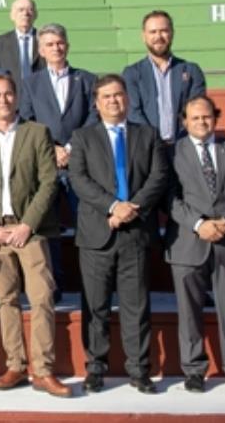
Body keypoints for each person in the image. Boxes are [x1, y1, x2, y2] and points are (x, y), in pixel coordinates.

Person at [0, 74, 71, 398]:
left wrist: (27, 224)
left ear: (16, 97)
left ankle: (43, 370)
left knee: (41, 298)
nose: (3, 100)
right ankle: (16, 364)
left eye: (8, 94)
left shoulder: (37, 132)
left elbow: (49, 182)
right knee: (6, 299)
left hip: (32, 230)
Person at [69, 74, 170, 394]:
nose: (114, 101)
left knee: (136, 305)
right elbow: (79, 180)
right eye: (107, 97)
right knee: (95, 306)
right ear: (97, 104)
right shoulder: (83, 137)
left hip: (136, 233)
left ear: (127, 98)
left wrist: (132, 207)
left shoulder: (148, 134)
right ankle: (95, 368)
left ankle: (139, 369)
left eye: (118, 95)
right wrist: (113, 206)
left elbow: (158, 176)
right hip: (97, 234)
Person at [166, 96, 225, 395]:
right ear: (184, 121)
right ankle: (194, 370)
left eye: (206, 117)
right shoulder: (171, 154)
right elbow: (169, 197)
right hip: (187, 242)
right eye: (194, 118)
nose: (201, 122)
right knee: (189, 309)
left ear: (215, 118)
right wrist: (199, 224)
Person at [17, 23, 97, 303]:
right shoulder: (31, 83)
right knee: (48, 227)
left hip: (79, 163)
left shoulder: (86, 79)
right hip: (45, 164)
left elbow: (93, 117)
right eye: (49, 44)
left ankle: (91, 283)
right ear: (41, 50)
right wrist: (53, 148)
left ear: (68, 45)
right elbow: (26, 118)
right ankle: (54, 283)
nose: (56, 48)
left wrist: (71, 148)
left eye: (60, 42)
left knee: (86, 223)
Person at [122, 10, 206, 144]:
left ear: (172, 33)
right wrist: (153, 140)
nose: (158, 36)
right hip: (148, 147)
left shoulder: (191, 70)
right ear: (143, 36)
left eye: (163, 31)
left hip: (184, 145)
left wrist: (183, 138)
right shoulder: (132, 73)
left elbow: (197, 109)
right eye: (153, 32)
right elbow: (133, 113)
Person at [0, 0, 43, 83]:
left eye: (30, 10)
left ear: (35, 15)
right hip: (12, 94)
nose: (26, 13)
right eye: (21, 10)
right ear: (12, 16)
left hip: (40, 93)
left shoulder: (45, 40)